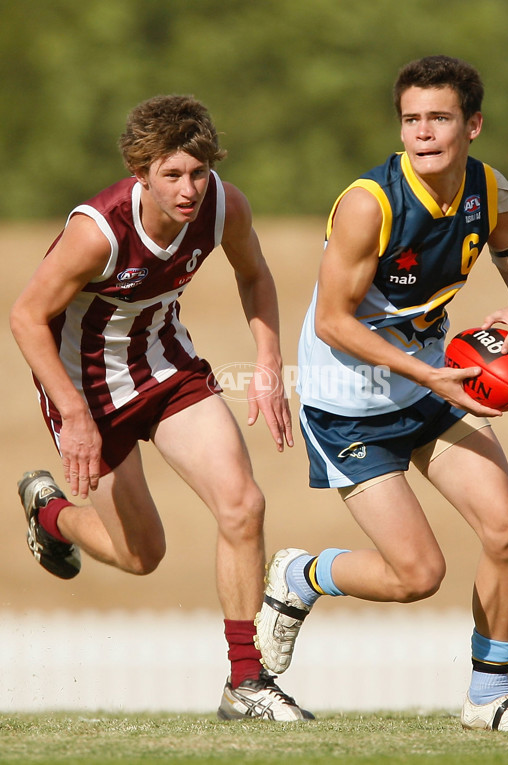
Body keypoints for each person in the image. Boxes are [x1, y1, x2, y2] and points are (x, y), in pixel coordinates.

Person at [255, 56, 508, 732]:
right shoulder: (371, 203)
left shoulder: (491, 192)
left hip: (429, 379)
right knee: (418, 575)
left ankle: (488, 696)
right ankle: (302, 576)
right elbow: (333, 321)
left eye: (439, 118)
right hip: (348, 403)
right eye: (412, 119)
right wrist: (425, 373)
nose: (423, 132)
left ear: (472, 125)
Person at [10, 94, 313, 721]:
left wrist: (266, 363)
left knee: (243, 504)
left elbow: (254, 275)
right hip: (88, 390)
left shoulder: (224, 206)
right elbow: (24, 316)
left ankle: (246, 683)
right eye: (172, 174)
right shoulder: (98, 232)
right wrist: (72, 414)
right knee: (143, 556)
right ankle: (51, 514)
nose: (190, 188)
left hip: (168, 370)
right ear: (141, 171)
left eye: (198, 172)